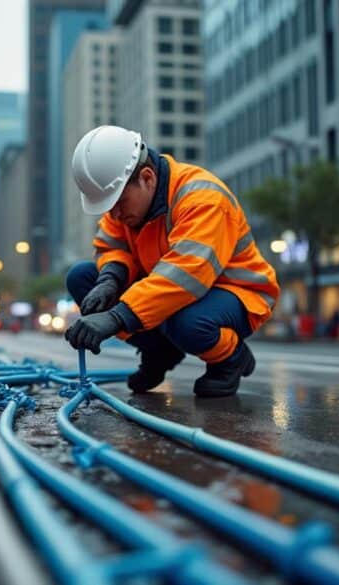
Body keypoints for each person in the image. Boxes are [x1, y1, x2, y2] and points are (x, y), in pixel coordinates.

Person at [63, 126, 279, 398]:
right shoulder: (125, 204)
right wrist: (109, 280)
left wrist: (117, 317)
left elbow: (185, 274)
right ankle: (160, 352)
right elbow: (113, 245)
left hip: (237, 292)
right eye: (109, 207)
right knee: (82, 277)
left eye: (119, 203)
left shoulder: (203, 198)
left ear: (147, 177)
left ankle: (230, 358)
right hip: (172, 287)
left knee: (186, 321)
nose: (114, 214)